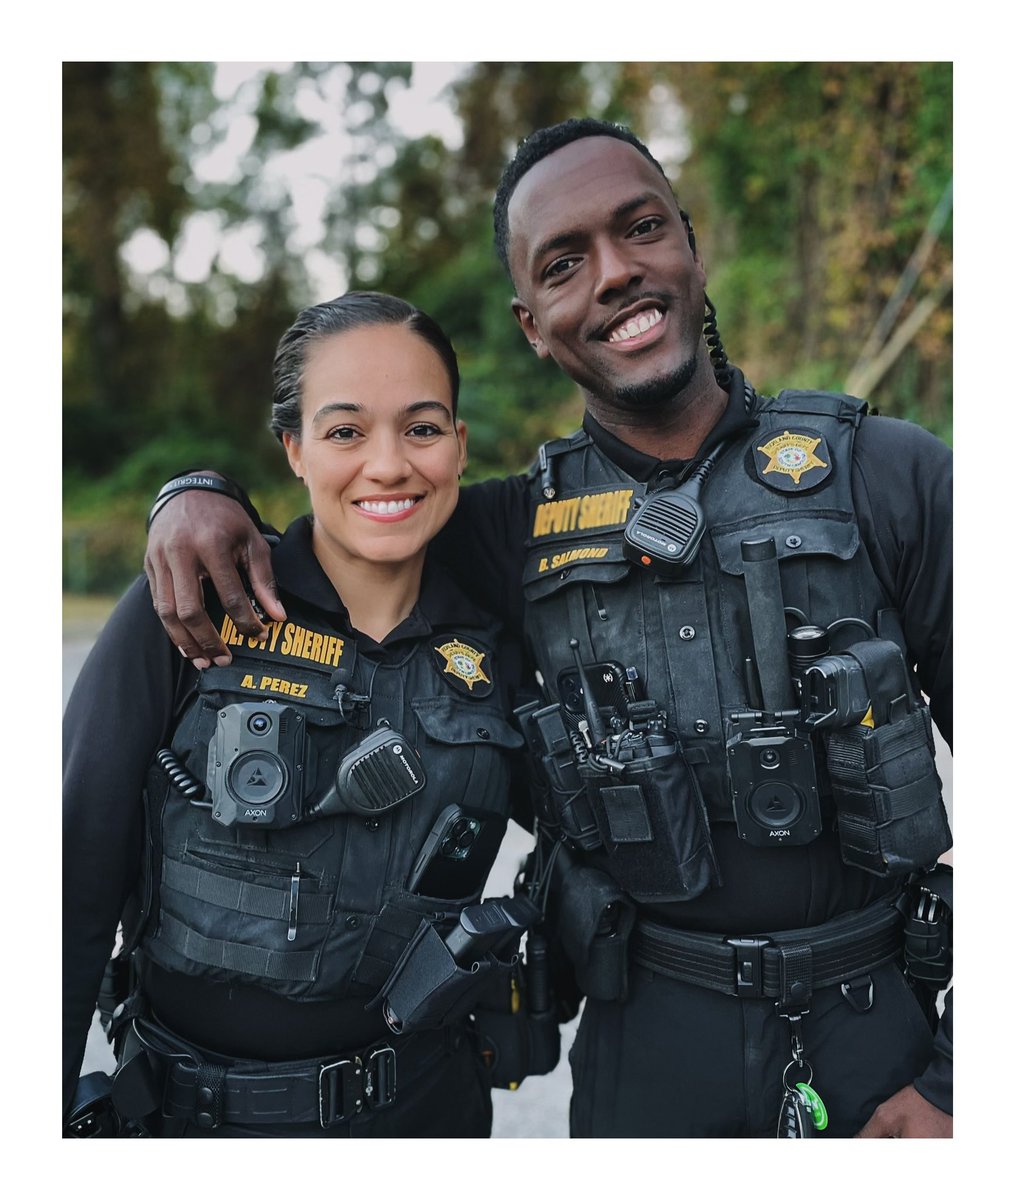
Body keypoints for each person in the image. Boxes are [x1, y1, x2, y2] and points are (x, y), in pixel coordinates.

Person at [142, 118, 953, 1139]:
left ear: (691, 246)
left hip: (882, 1041)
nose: (614, 274)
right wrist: (195, 494)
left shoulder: (889, 475)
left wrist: (960, 1083)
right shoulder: (503, 532)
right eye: (565, 263)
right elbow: (345, 522)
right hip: (643, 1051)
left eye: (641, 228)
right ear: (532, 324)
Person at [63, 291, 534, 1137]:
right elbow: (67, 890)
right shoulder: (191, 609)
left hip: (426, 1120)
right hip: (193, 1130)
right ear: (294, 450)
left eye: (422, 428)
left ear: (459, 447)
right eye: (345, 431)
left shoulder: (501, 645)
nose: (388, 465)